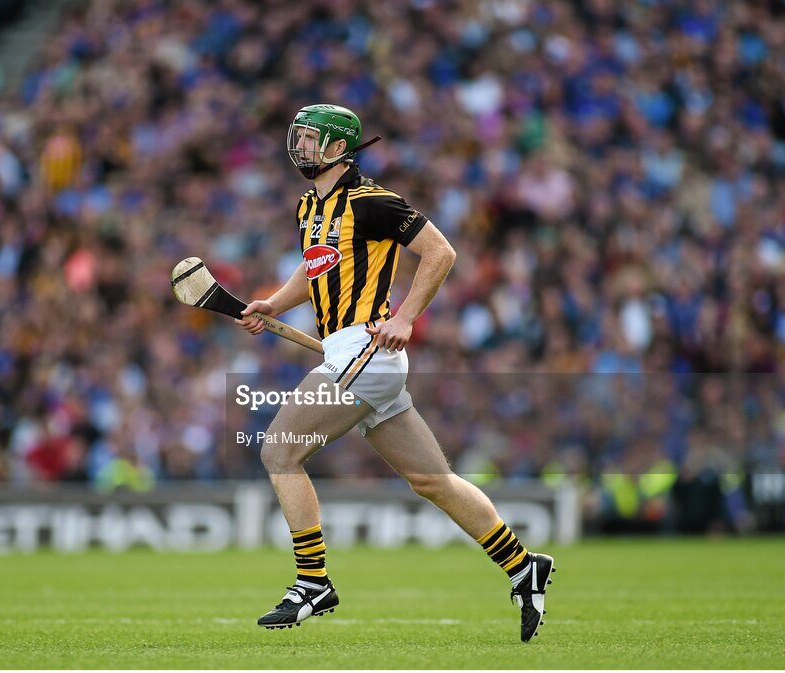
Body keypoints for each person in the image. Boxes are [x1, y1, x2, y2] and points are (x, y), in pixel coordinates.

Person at [236, 104, 555, 641]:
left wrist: (406, 317)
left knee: (278, 448)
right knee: (433, 480)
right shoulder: (309, 206)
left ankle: (313, 581)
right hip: (350, 353)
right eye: (298, 136)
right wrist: (275, 302)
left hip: (367, 345)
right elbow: (316, 267)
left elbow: (440, 252)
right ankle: (524, 567)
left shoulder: (374, 201)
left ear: (339, 148)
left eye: (310, 139)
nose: (300, 146)